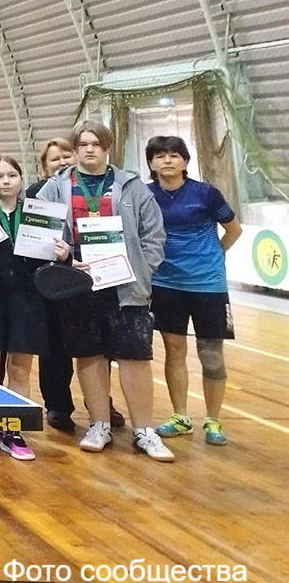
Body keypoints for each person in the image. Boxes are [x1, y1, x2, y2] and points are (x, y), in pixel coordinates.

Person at [36, 121, 171, 461]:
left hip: (125, 286)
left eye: (96, 143)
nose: (89, 149)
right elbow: (39, 237)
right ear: (75, 149)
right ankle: (99, 424)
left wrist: (142, 271)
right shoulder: (54, 188)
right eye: (83, 144)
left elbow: (154, 235)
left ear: (107, 147)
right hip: (79, 285)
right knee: (89, 354)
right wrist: (63, 258)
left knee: (135, 356)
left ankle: (144, 430)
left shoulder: (132, 186)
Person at [0, 155, 67, 461]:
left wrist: (62, 254)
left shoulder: (37, 212)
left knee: (20, 369)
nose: (6, 181)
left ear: (21, 179)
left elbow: (51, 257)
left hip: (28, 299)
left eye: (12, 175)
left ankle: (13, 431)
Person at [146, 135, 242, 447]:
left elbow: (234, 229)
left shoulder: (205, 194)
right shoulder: (146, 195)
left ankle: (213, 419)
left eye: (174, 155)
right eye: (160, 156)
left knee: (210, 354)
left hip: (207, 286)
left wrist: (215, 256)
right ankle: (180, 417)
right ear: (151, 163)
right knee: (174, 350)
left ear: (185, 161)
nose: (167, 160)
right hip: (165, 284)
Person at [30, 137, 80, 431]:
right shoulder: (36, 194)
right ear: (44, 166)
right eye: (54, 159)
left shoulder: (93, 188)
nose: (62, 163)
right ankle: (58, 405)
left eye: (66, 156)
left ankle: (103, 404)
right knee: (54, 348)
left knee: (95, 348)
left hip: (89, 275)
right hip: (52, 280)